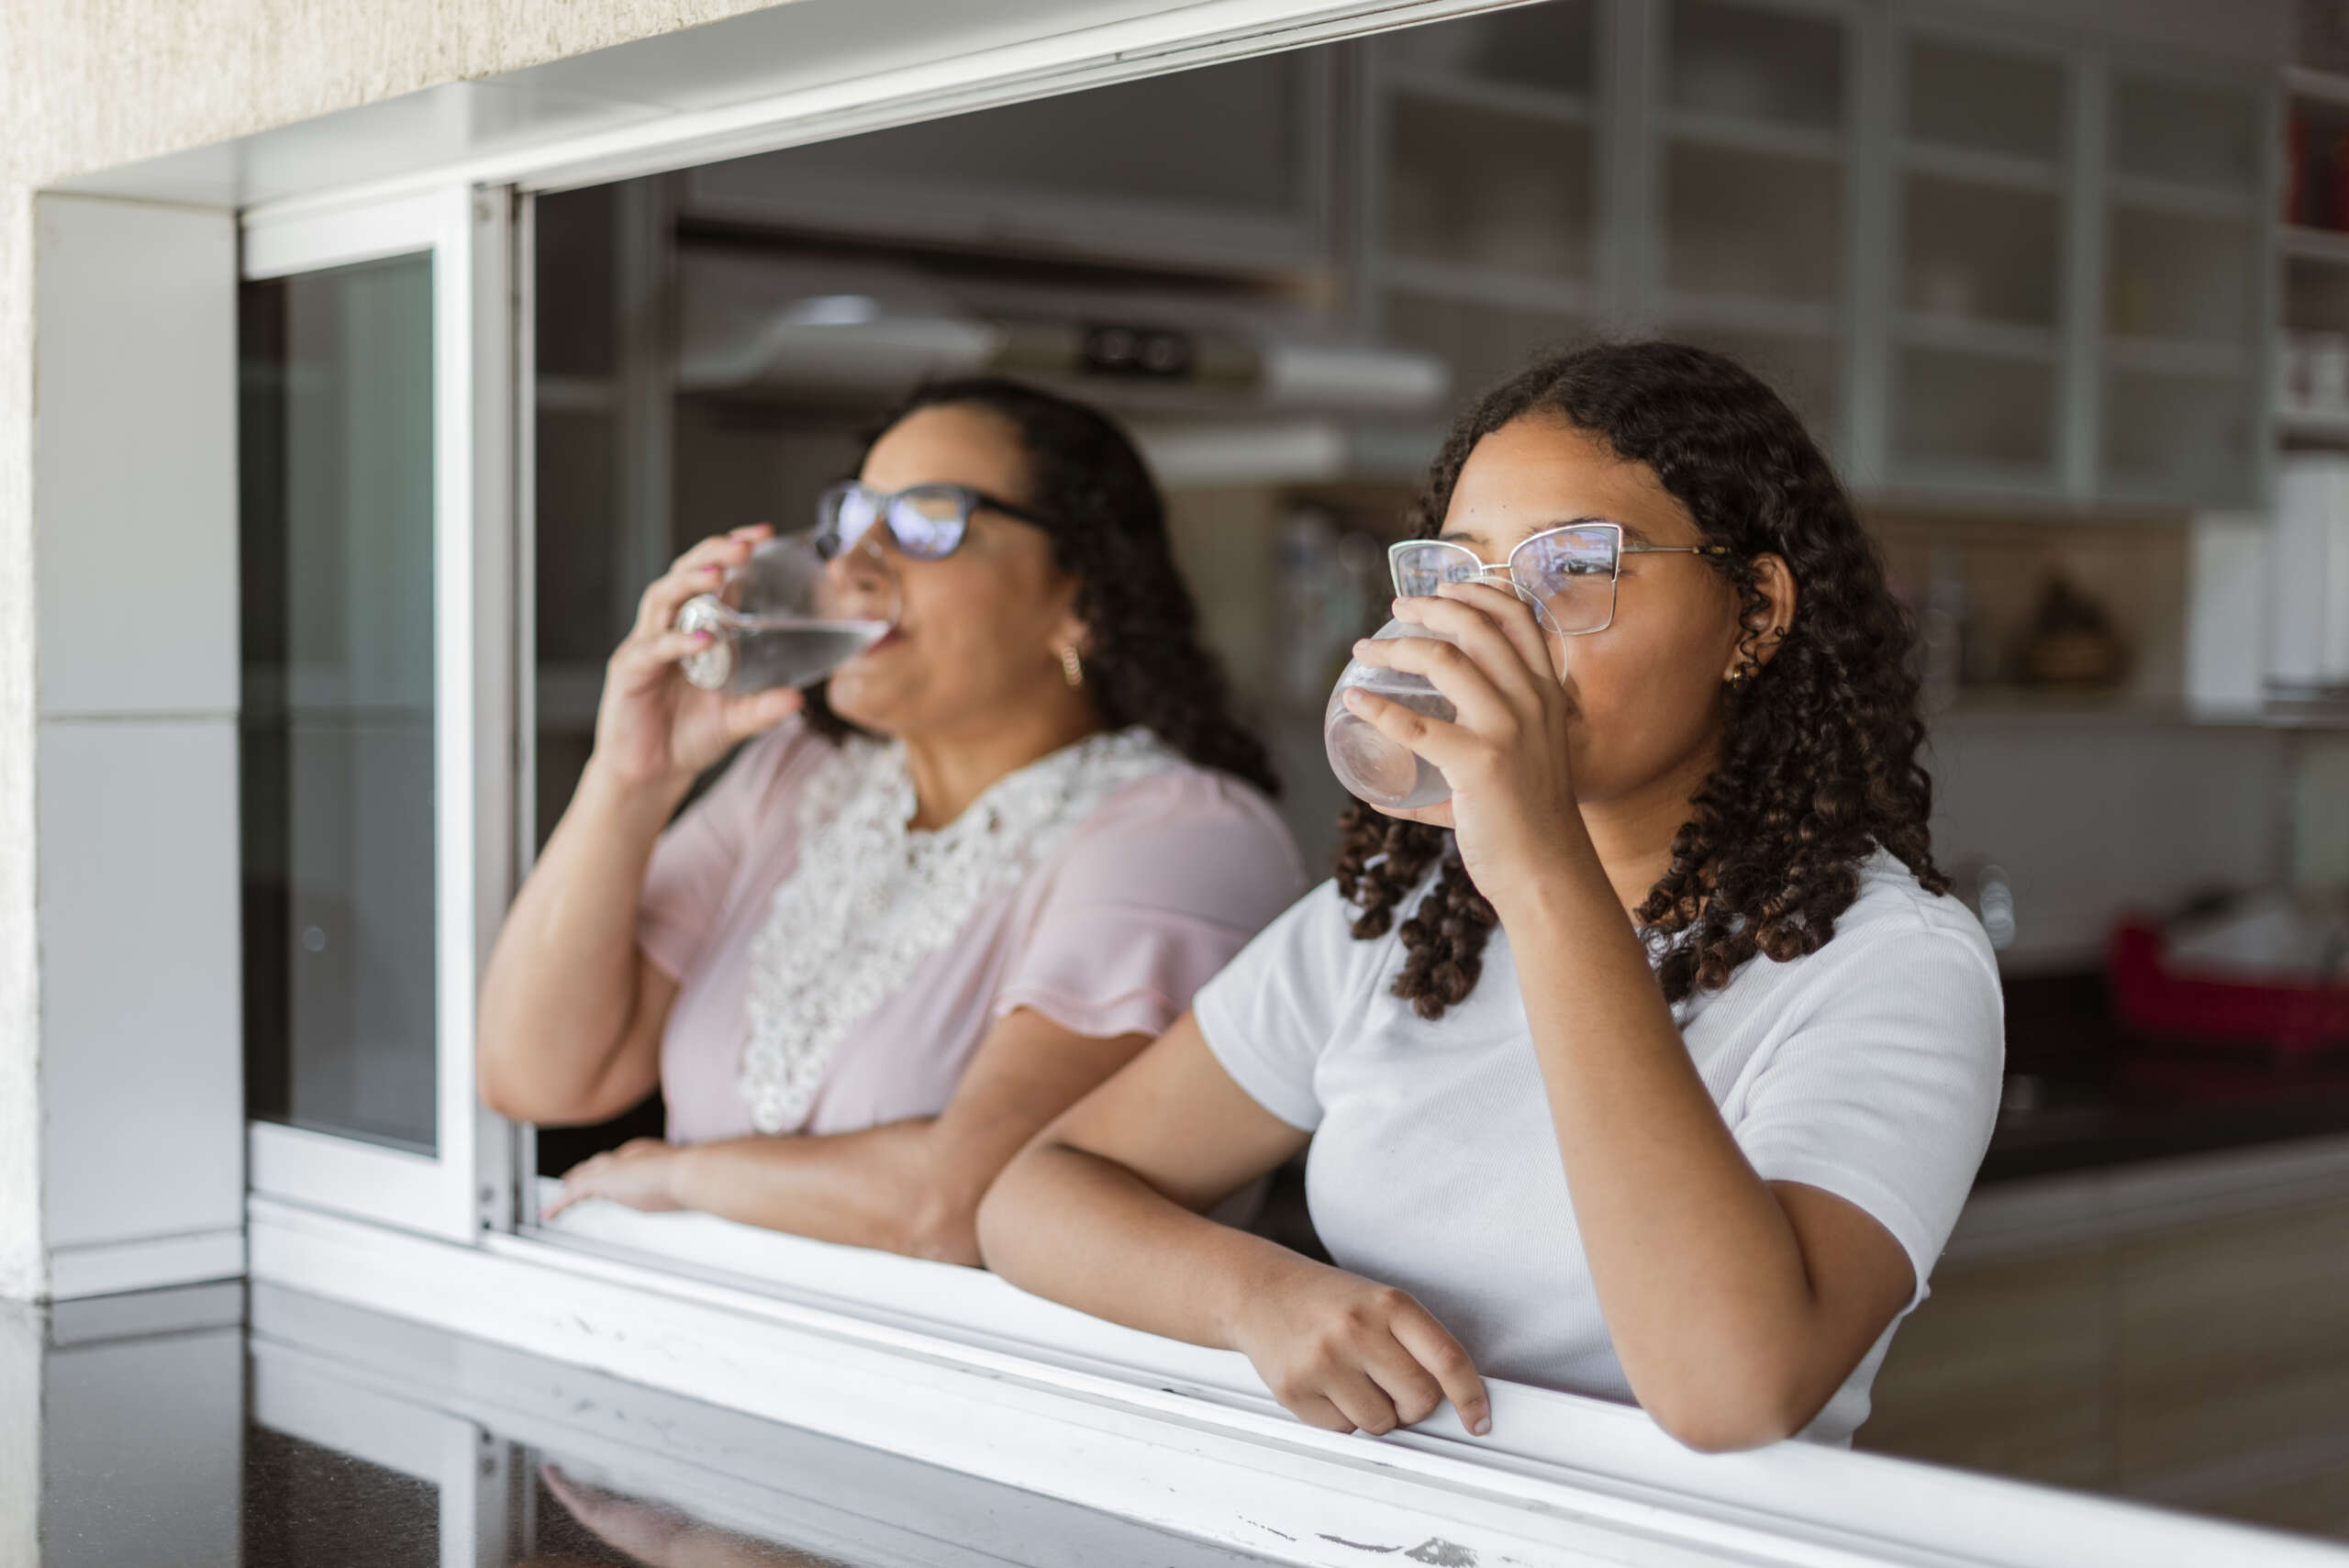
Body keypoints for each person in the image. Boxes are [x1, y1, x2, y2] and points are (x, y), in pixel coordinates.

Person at [976, 342, 2004, 1451]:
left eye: (1573, 567)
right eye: (1463, 575)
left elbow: (1728, 1392)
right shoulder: (1401, 919)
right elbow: (1034, 1197)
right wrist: (1255, 1295)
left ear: (1754, 610)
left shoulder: (1894, 961)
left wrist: (1540, 862)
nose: (1497, 631)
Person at [479, 378, 1304, 1263]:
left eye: (926, 523)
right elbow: (539, 1076)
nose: (853, 567)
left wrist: (684, 1176)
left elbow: (962, 1201)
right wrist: (632, 777)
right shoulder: (795, 774)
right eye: (852, 521)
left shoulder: (1184, 831)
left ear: (1082, 600)